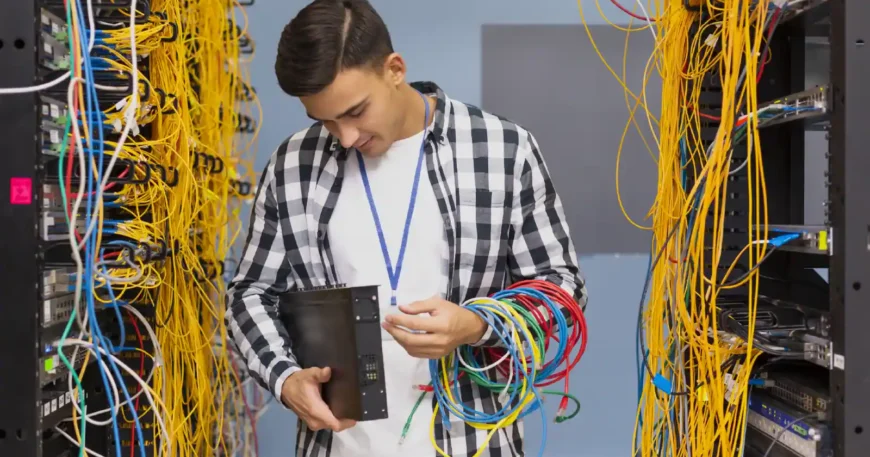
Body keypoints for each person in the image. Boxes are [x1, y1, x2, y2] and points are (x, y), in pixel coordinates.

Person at [225, 1, 588, 456]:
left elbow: (562, 289)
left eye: (356, 111)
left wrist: (477, 325)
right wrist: (285, 378)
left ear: (395, 69)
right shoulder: (294, 163)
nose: (346, 137)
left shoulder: (502, 149)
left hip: (471, 443)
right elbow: (251, 292)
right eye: (325, 121)